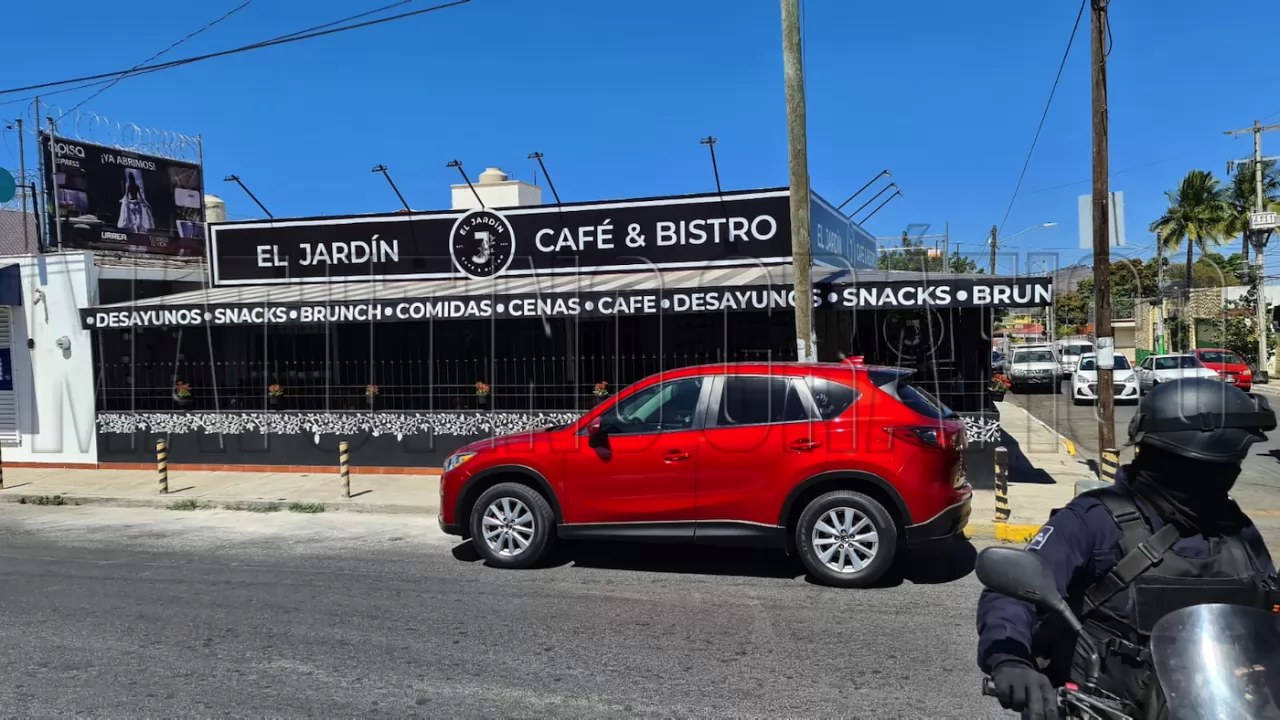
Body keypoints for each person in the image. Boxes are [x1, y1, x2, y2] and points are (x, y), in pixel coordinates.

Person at [976, 378, 1280, 720]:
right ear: (1185, 460)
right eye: (1224, 464)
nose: (1230, 473)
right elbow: (1015, 593)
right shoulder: (1095, 520)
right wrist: (1011, 660)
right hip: (1104, 707)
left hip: (1218, 707)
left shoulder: (1235, 529)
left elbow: (1268, 606)